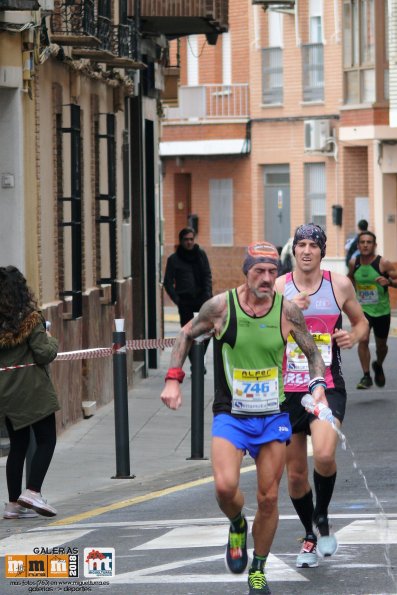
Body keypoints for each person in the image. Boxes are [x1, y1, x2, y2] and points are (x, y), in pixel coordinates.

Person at [161, 241, 328, 595]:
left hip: (273, 416)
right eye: (259, 272)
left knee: (268, 497)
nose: (267, 279)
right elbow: (186, 334)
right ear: (246, 272)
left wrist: (317, 386)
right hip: (231, 415)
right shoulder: (221, 307)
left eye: (272, 272)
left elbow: (312, 352)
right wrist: (174, 379)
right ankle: (237, 523)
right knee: (225, 487)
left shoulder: (287, 312)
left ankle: (258, 568)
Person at [275, 224, 368, 569]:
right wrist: (285, 313)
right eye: (301, 244)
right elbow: (262, 332)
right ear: (294, 250)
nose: (307, 251)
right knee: (296, 475)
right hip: (285, 391)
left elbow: (361, 323)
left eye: (313, 245)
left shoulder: (338, 284)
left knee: (325, 454)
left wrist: (353, 336)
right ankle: (310, 534)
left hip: (327, 384)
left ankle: (322, 516)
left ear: (322, 250)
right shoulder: (280, 287)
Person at [0, 266, 59, 518]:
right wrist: (50, 337)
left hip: (7, 393)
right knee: (47, 439)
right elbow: (44, 353)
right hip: (33, 391)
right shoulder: (31, 318)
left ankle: (13, 504)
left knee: (18, 445)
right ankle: (33, 491)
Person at [348, 231, 397, 389]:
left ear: (374, 245)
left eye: (369, 242)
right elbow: (350, 279)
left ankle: (379, 364)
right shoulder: (354, 263)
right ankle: (366, 376)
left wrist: (388, 282)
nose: (365, 245)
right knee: (363, 340)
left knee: (381, 347)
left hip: (382, 311)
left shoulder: (383, 263)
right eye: (362, 242)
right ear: (358, 245)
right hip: (363, 311)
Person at [163, 227, 212, 363]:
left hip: (202, 301)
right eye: (186, 240)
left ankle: (199, 358)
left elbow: (207, 275)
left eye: (191, 239)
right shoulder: (174, 259)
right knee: (188, 334)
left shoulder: (201, 255)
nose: (189, 242)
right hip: (185, 303)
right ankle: (195, 363)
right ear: (181, 241)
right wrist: (178, 300)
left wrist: (207, 294)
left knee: (206, 332)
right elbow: (167, 283)